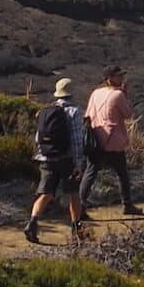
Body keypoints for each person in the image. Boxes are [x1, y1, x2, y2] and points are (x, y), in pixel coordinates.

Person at [25, 76, 88, 243]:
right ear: (72, 93)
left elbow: (39, 137)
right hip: (66, 159)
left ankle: (32, 223)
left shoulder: (46, 111)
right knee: (74, 193)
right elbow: (76, 140)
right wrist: (79, 163)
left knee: (46, 193)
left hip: (46, 158)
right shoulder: (75, 111)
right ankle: (76, 229)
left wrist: (42, 154)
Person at [83, 65, 141, 216]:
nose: (121, 78)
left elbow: (88, 114)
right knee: (122, 174)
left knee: (90, 173)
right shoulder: (118, 95)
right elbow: (128, 114)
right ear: (110, 79)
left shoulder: (95, 93)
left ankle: (80, 206)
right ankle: (127, 205)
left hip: (96, 139)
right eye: (118, 76)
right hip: (113, 140)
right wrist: (125, 94)